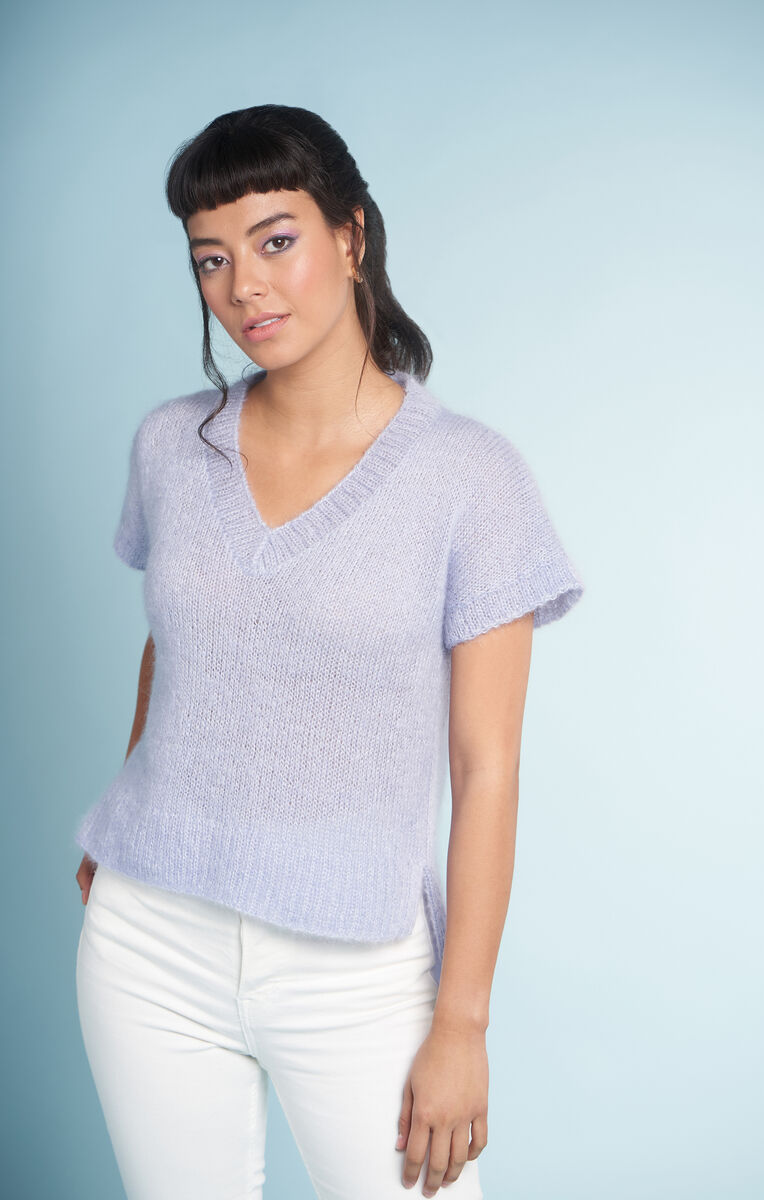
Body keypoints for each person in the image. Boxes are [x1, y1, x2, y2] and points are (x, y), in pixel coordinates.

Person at [73, 104, 585, 1200]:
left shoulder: (470, 478)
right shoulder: (171, 445)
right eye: (211, 259)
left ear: (351, 236)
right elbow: (178, 646)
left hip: (356, 966)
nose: (244, 287)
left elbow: (486, 768)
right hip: (148, 938)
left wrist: (461, 1023)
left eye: (275, 240)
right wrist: (129, 813)